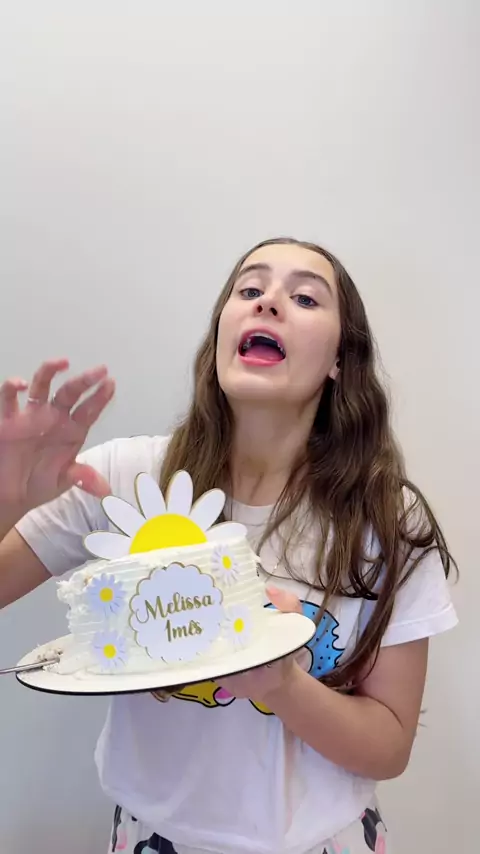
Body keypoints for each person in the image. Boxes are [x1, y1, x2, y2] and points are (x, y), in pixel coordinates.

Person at [0, 237, 457, 854]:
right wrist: (8, 498)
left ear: (339, 361)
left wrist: (282, 685)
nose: (267, 302)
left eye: (304, 297)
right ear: (221, 332)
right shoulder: (125, 478)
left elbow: (389, 747)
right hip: (151, 839)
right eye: (249, 289)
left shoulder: (384, 518)